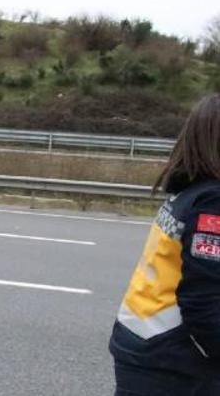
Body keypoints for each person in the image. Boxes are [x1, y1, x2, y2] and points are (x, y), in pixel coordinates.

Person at [109, 94, 220, 396]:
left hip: (145, 342)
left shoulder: (190, 192)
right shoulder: (212, 201)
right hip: (168, 356)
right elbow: (204, 300)